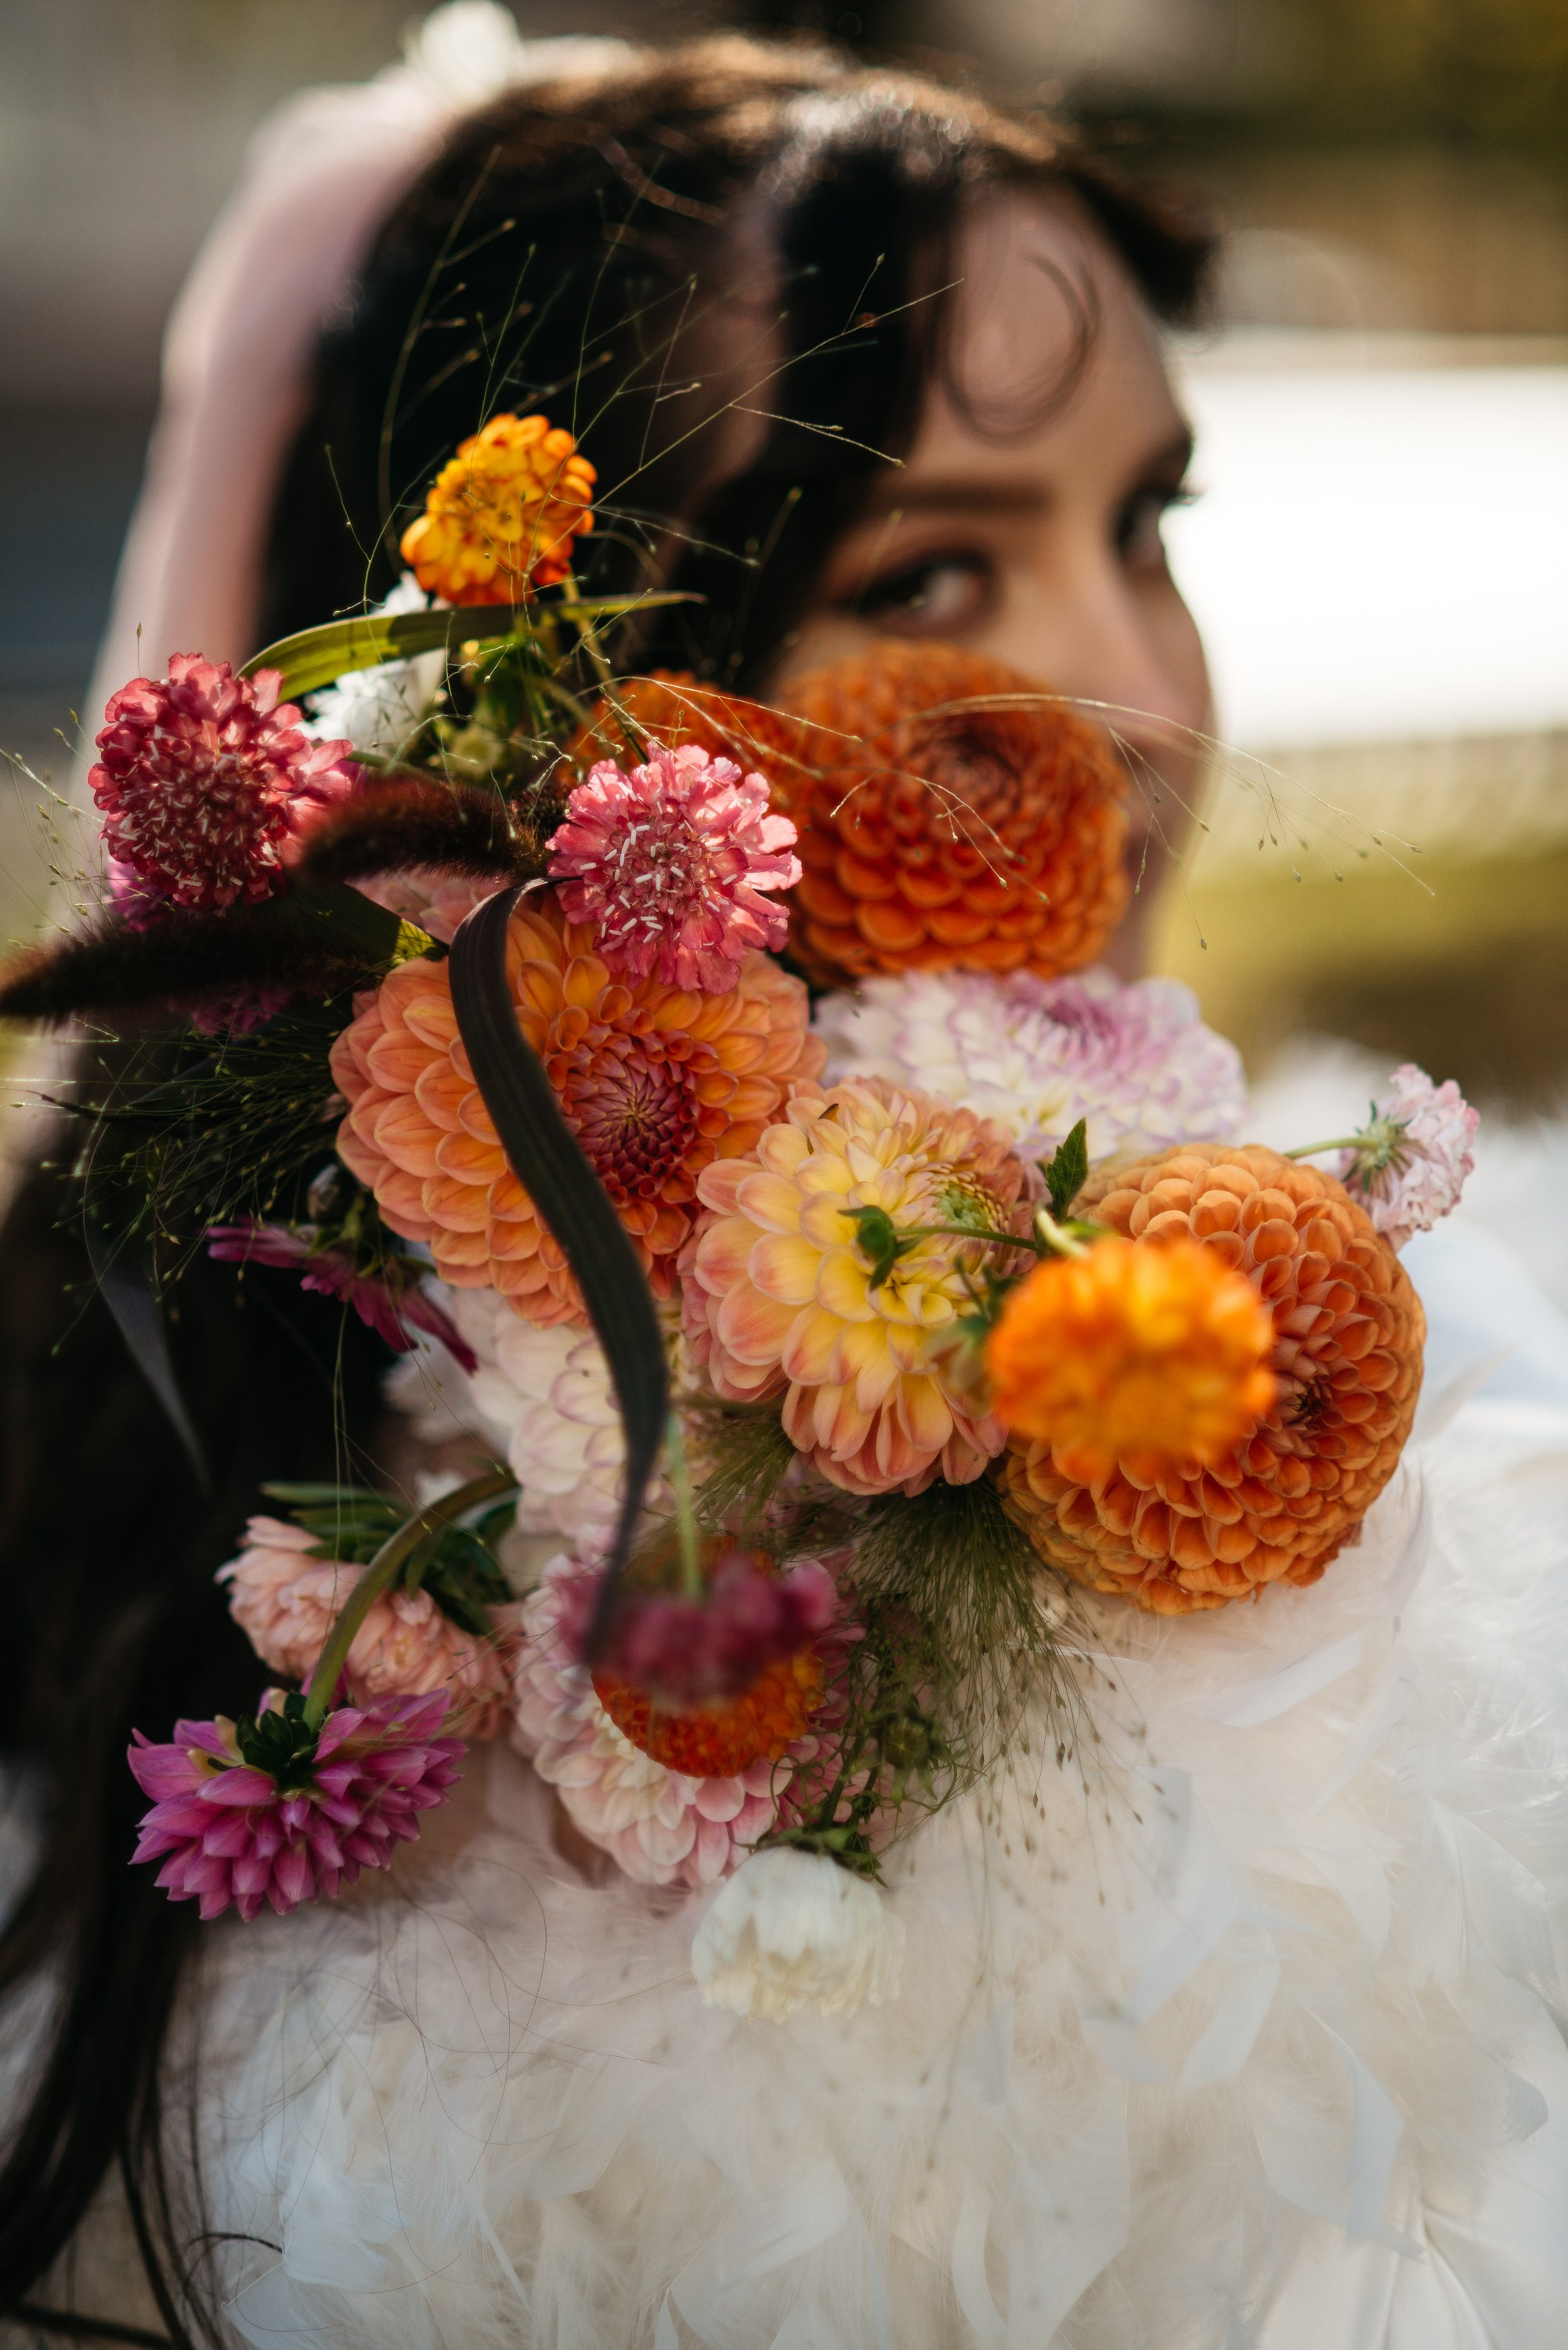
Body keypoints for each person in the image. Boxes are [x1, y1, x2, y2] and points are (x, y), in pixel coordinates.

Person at [2, 13, 1564, 2349]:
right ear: (544, 700)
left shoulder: (1441, 1384)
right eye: (927, 574)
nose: (1130, 692)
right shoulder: (310, 1639)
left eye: (1145, 525)